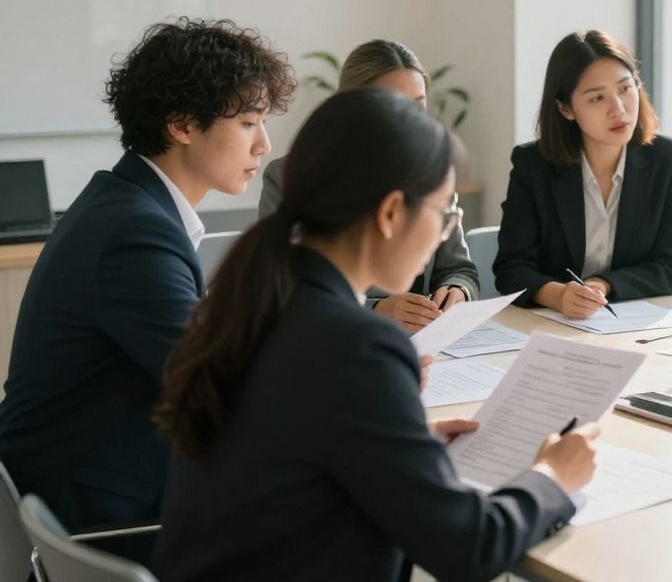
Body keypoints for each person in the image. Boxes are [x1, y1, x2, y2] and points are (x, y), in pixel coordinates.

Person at [152, 88, 598, 581]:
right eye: (443, 216)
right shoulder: (357, 344)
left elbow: (288, 442)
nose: (442, 234)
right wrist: (553, 477)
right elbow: (469, 548)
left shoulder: (255, 298)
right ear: (389, 214)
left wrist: (401, 444)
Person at [0, 18, 294, 555]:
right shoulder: (133, 232)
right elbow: (217, 382)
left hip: (91, 483)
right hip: (99, 516)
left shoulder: (125, 204)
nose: (265, 144)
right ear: (182, 125)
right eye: (250, 123)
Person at [260, 39, 479, 331]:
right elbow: (287, 285)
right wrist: (376, 308)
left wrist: (457, 291)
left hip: (426, 342)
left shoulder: (434, 174)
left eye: (418, 106)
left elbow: (460, 269)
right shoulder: (292, 174)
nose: (410, 120)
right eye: (393, 105)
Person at [494, 30, 672, 318]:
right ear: (566, 109)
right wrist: (559, 295)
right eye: (597, 98)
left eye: (626, 88)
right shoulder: (533, 164)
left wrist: (603, 285)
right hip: (551, 325)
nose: (619, 109)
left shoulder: (668, 158)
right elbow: (511, 269)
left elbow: (671, 266)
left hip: (630, 324)